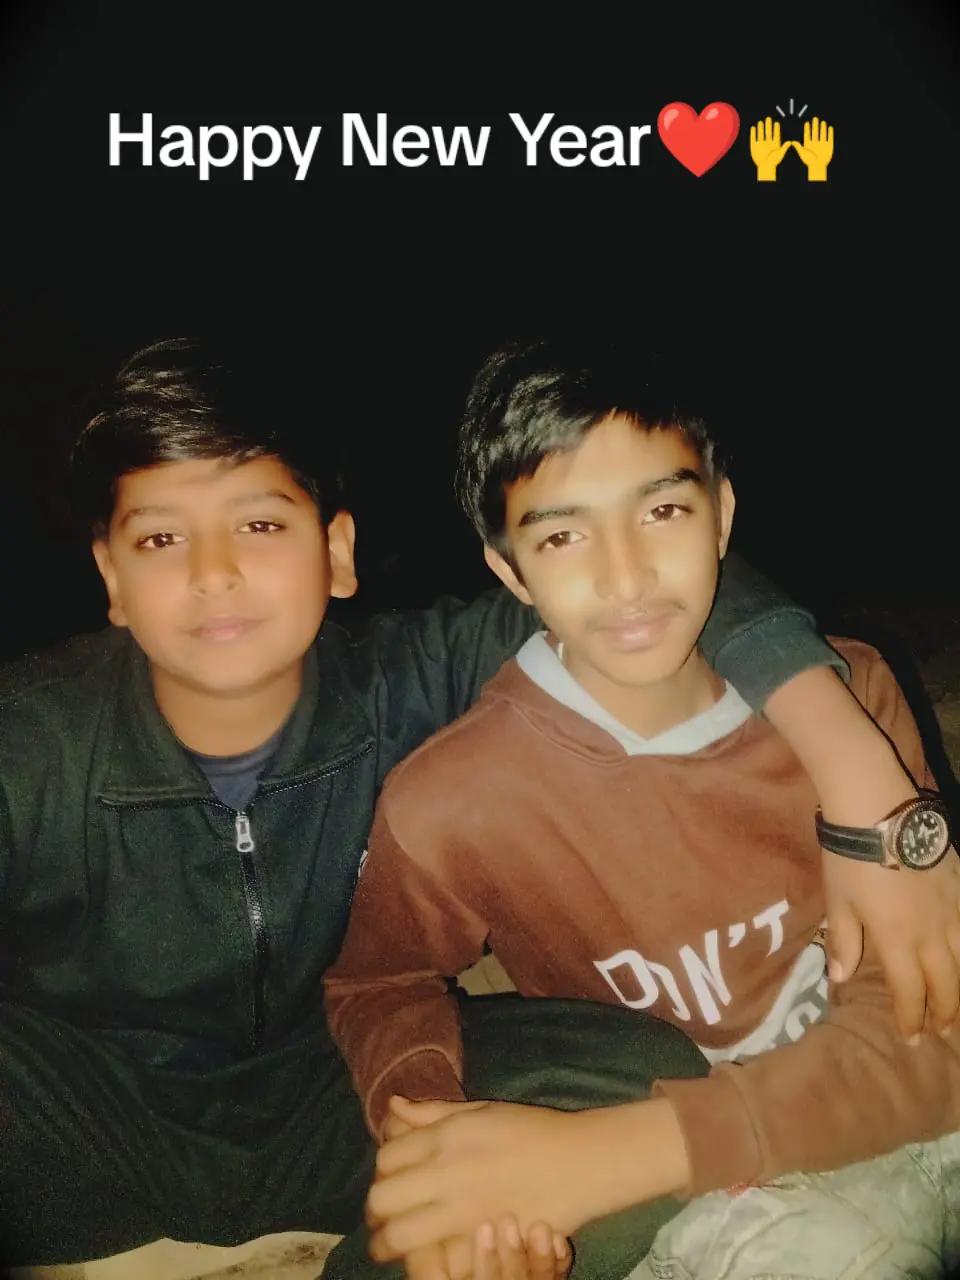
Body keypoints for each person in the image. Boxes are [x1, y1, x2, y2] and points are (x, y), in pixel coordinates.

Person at [324, 339, 960, 1279]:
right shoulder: (455, 800)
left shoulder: (854, 696)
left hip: (838, 1112)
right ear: (510, 571)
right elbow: (378, 982)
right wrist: (437, 1137)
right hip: (712, 1193)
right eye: (562, 536)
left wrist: (610, 1157)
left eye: (662, 511)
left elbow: (932, 1039)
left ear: (722, 515)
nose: (625, 577)